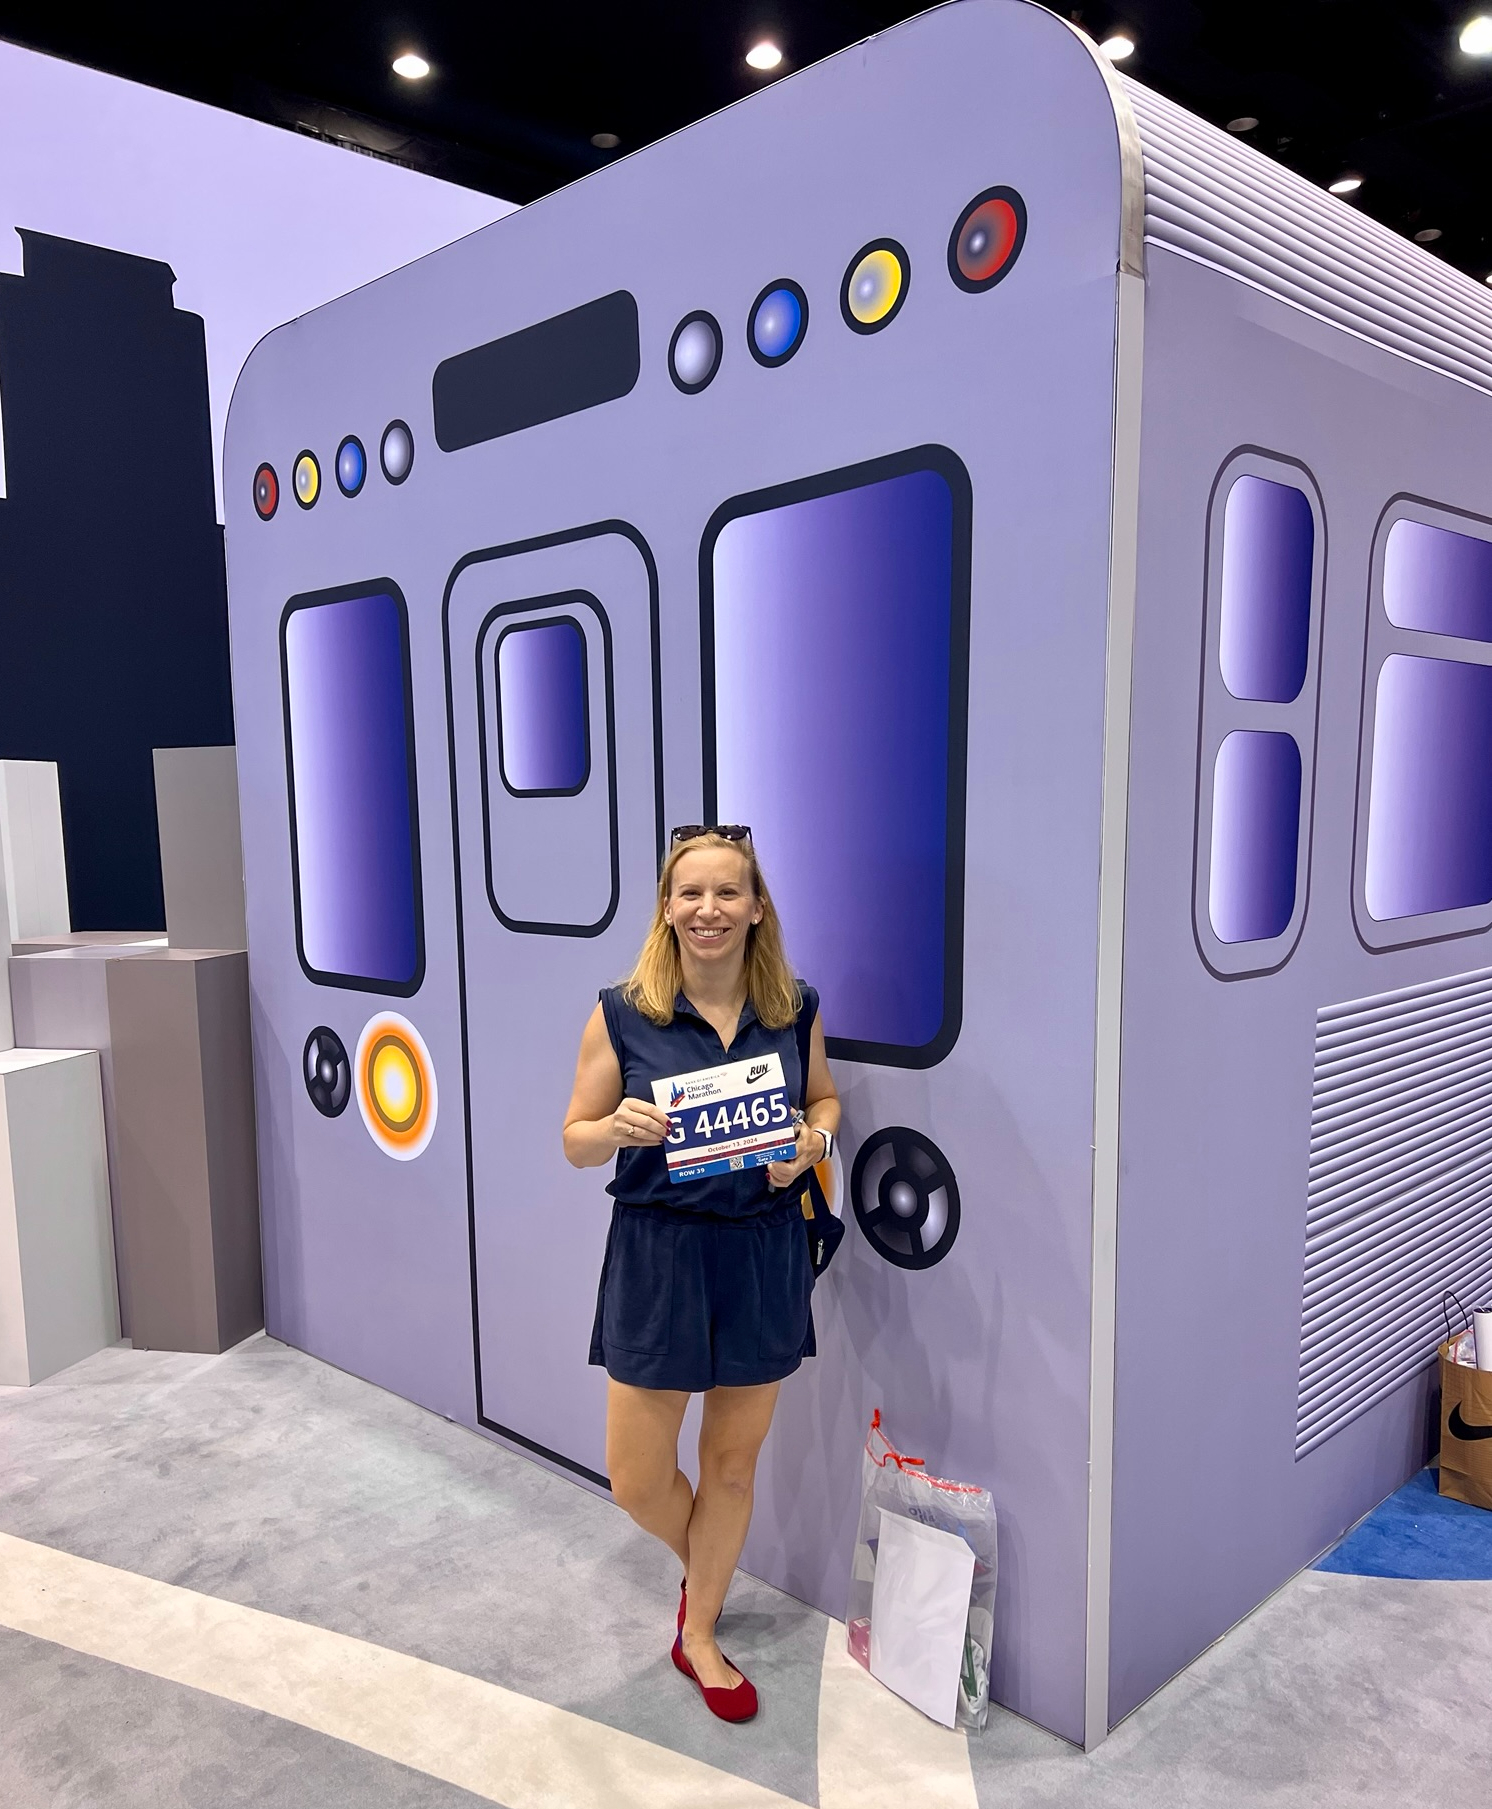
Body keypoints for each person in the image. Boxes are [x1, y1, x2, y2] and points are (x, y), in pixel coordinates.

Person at [562, 826, 840, 1722]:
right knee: (638, 1477)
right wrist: (614, 1129)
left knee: (730, 1468)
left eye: (728, 892)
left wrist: (813, 1143)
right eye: (691, 893)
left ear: (757, 908)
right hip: (659, 1256)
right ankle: (708, 1569)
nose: (708, 909)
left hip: (761, 1251)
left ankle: (701, 1630)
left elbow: (824, 1097)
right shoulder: (622, 1012)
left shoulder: (792, 1006)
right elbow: (574, 1139)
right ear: (667, 906)